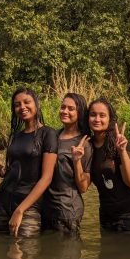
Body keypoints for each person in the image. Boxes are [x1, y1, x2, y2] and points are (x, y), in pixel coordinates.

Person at [0, 87, 58, 238]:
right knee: (1, 251)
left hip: (28, 206)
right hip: (3, 202)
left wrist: (21, 210)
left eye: (27, 102)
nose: (22, 107)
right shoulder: (16, 136)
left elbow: (47, 178)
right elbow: (9, 173)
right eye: (17, 104)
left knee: (26, 256)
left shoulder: (48, 134)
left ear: (36, 104)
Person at [73, 97, 130, 233]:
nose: (97, 119)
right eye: (93, 115)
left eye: (102, 115)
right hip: (106, 215)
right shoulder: (87, 147)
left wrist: (122, 151)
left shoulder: (119, 143)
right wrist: (77, 160)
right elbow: (83, 187)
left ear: (110, 119)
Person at [41, 93, 93, 235]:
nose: (65, 111)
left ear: (80, 112)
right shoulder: (52, 136)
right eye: (63, 107)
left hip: (67, 210)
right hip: (46, 207)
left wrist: (76, 160)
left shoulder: (84, 143)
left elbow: (83, 187)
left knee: (67, 255)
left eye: (71, 109)